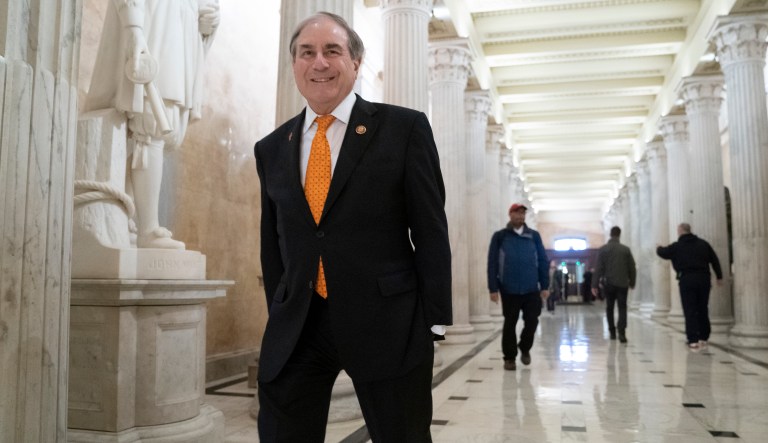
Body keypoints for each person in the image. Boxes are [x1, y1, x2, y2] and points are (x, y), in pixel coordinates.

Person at [254, 12, 452, 442]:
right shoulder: (271, 148)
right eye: (307, 53)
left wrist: (432, 320)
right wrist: (280, 308)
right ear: (294, 66)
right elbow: (274, 243)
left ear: (356, 63)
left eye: (332, 51)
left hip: (388, 323)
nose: (319, 63)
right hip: (299, 328)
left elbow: (431, 229)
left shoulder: (403, 128)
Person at [85, 0, 221, 249]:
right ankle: (147, 227)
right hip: (156, 27)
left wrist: (207, 24)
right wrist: (133, 27)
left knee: (152, 130)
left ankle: (126, 221)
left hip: (177, 37)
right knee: (149, 125)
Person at [487, 203, 550, 371]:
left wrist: (545, 285)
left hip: (531, 288)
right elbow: (492, 263)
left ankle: (524, 347)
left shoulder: (533, 236)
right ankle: (509, 358)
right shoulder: (500, 236)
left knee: (532, 320)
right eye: (517, 213)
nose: (520, 216)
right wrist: (493, 288)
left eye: (522, 213)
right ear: (510, 215)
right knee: (510, 323)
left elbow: (543, 261)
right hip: (508, 289)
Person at [657, 223, 723, 349]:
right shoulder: (703, 244)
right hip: (704, 279)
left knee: (690, 309)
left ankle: (693, 340)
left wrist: (658, 248)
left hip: (687, 280)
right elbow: (714, 260)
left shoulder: (677, 246)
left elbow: (663, 253)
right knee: (703, 307)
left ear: (680, 231)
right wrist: (719, 276)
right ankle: (704, 337)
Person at [592, 226, 636, 343]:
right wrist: (632, 281)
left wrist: (594, 285)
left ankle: (612, 332)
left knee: (609, 307)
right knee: (622, 307)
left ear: (610, 235)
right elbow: (632, 267)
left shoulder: (603, 249)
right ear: (619, 235)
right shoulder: (625, 250)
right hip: (622, 284)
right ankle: (622, 333)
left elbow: (599, 268)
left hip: (609, 283)